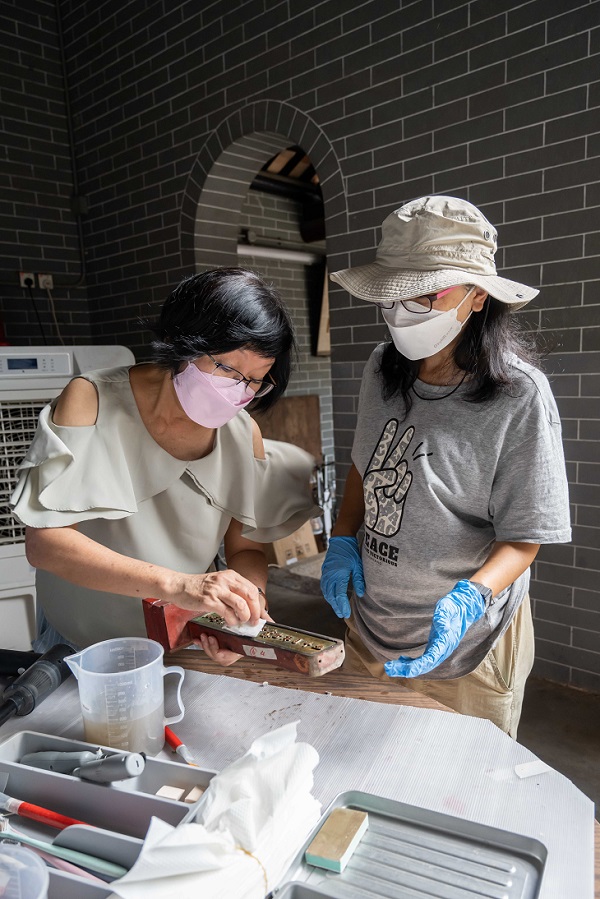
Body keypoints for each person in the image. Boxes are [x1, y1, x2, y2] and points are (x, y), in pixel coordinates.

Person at [320, 195, 571, 737]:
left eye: (423, 296)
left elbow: (526, 536)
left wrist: (469, 597)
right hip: (371, 626)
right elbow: (365, 467)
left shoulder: (519, 396)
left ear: (477, 297)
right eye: (392, 298)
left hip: (468, 646)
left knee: (459, 791)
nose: (401, 312)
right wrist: (342, 540)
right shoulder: (381, 369)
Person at [11, 268, 319, 659]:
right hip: (77, 645)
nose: (238, 392)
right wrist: (180, 586)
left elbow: (246, 551)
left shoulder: (244, 436)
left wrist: (245, 612)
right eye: (226, 368)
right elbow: (46, 544)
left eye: (256, 380)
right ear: (180, 340)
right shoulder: (90, 401)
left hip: (181, 640)